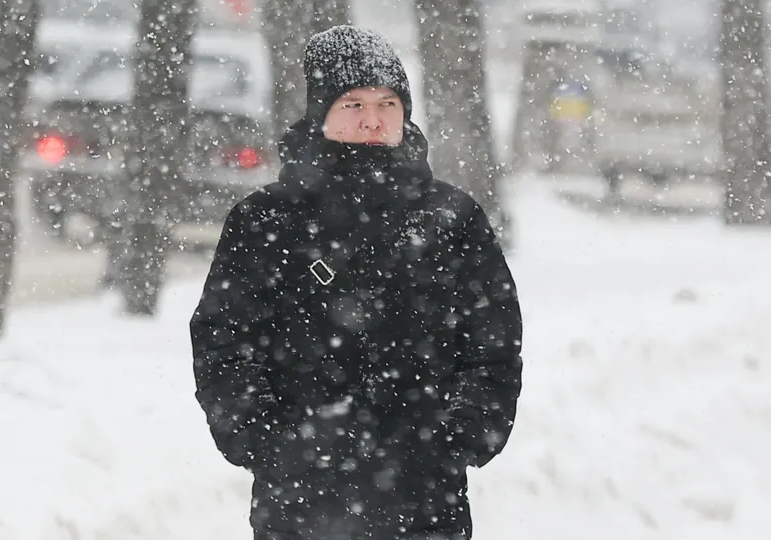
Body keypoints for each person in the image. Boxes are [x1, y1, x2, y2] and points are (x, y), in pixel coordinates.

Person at [190, 25, 522, 540]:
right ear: (321, 112)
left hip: (426, 500)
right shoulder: (268, 220)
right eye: (352, 104)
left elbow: (493, 341)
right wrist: (266, 440)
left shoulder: (451, 217)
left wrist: (463, 434)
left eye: (388, 103)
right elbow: (224, 341)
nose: (373, 120)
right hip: (299, 502)